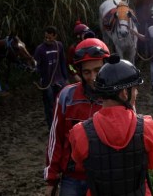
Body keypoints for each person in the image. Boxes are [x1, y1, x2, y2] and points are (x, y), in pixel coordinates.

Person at [69, 56, 153, 196]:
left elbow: (82, 167)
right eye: (135, 89)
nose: (137, 93)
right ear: (124, 93)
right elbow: (152, 164)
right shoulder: (147, 126)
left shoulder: (80, 132)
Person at [44, 37, 110, 196]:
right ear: (79, 71)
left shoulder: (116, 97)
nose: (93, 77)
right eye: (87, 72)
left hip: (105, 178)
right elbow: (56, 139)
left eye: (97, 70)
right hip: (71, 179)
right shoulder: (66, 96)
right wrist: (51, 179)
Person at [35, 26, 69, 129]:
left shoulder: (59, 46)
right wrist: (38, 75)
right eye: (45, 37)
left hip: (59, 80)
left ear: (55, 36)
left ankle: (61, 123)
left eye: (50, 38)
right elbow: (36, 66)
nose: (47, 40)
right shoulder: (40, 49)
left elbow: (63, 62)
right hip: (47, 82)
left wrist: (66, 78)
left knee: (61, 103)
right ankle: (51, 127)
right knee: (49, 104)